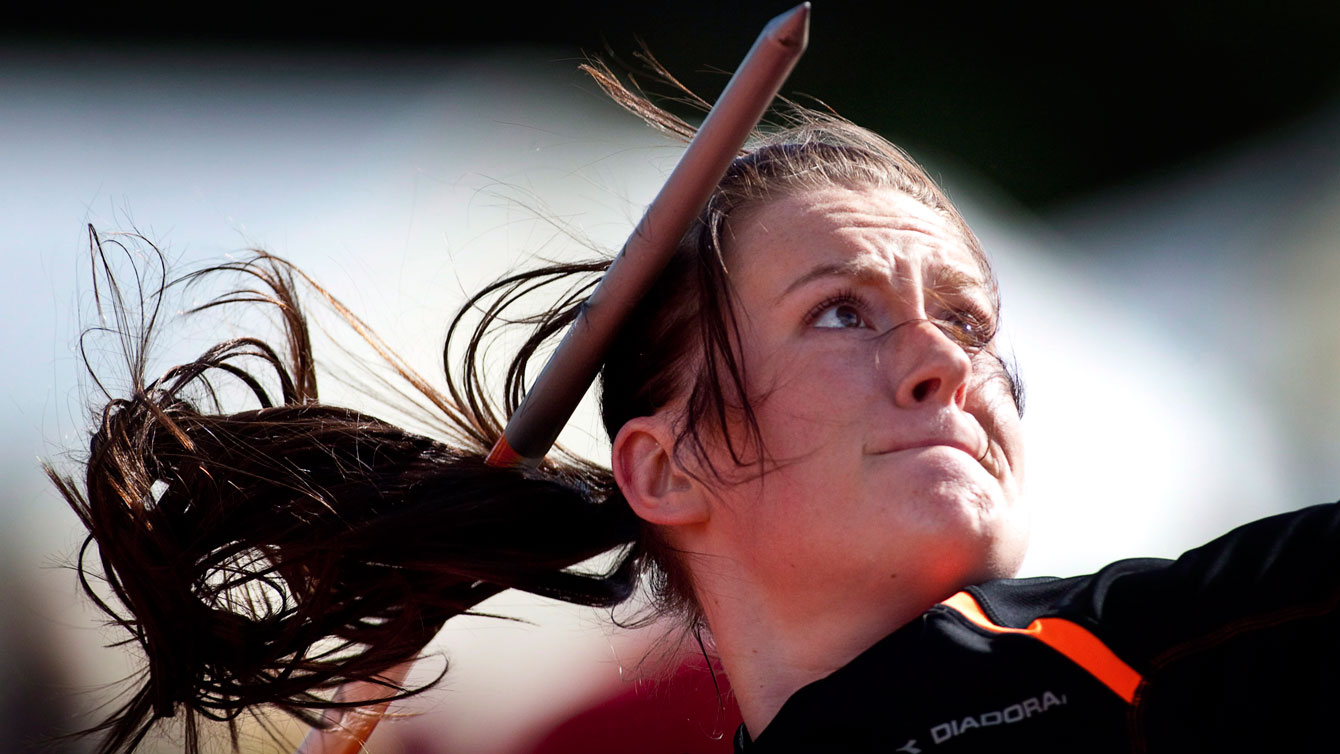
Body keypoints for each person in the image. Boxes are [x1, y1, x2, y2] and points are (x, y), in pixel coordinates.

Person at [52, 67, 1339, 754]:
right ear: (664, 469)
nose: (944, 361)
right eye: (843, 310)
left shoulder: (1170, 645)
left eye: (970, 319)